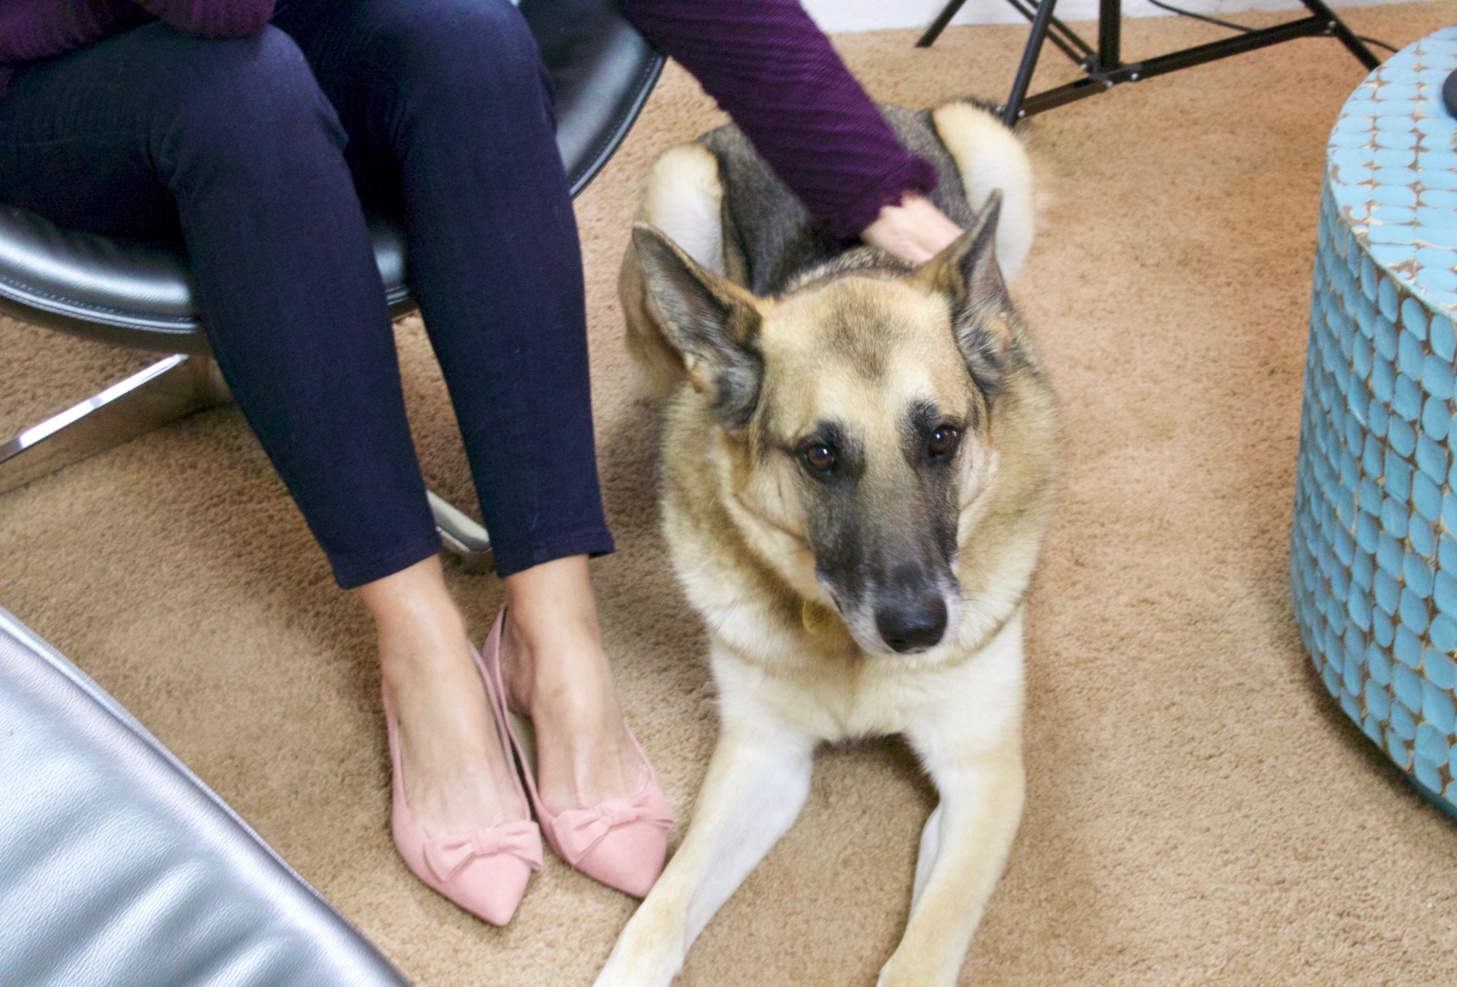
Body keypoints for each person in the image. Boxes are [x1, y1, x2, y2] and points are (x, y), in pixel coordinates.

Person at [0, 0, 963, 925]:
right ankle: (421, 649)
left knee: (475, 42)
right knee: (245, 94)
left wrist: (883, 198)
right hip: (48, 72)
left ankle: (554, 631)